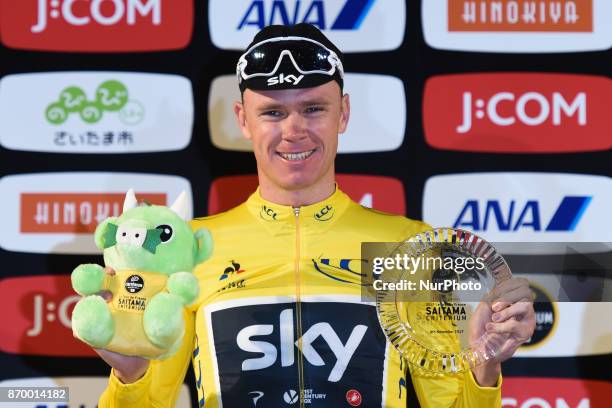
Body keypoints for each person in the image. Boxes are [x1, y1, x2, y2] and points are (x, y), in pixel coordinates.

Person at [93, 23, 535, 407]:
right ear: (243, 120)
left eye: (313, 108)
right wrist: (132, 375)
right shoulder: (187, 249)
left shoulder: (410, 249)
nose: (293, 130)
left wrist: (484, 366)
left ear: (342, 112)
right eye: (272, 112)